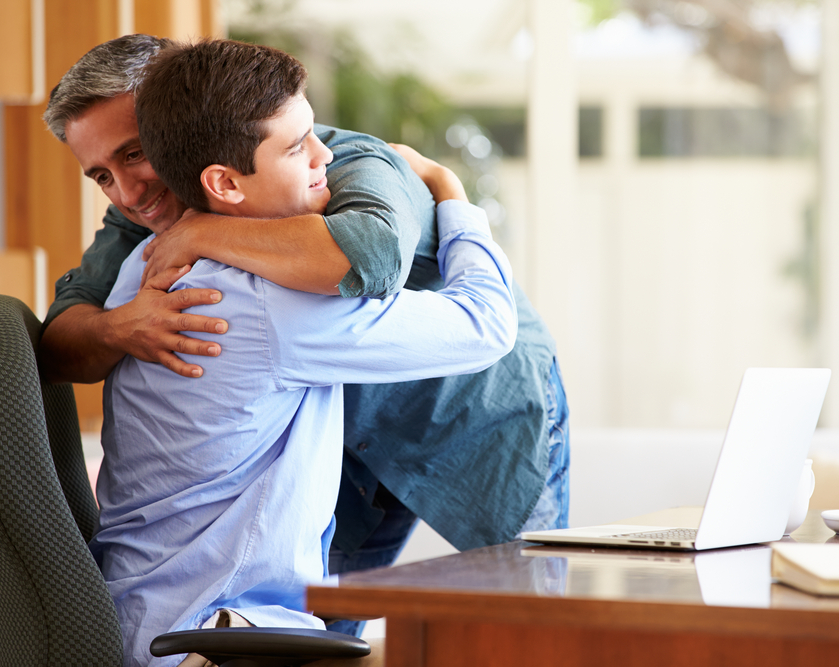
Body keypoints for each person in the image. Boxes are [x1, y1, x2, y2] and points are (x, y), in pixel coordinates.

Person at [40, 33, 570, 635]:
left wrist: (204, 234)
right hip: (314, 441)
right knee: (312, 623)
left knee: (535, 627)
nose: (129, 192)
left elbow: (366, 258)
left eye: (136, 153)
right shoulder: (153, 234)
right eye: (102, 175)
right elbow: (58, 340)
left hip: (468, 409)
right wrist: (119, 326)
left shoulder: (339, 163)